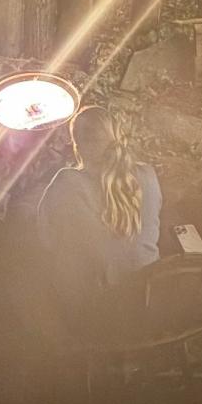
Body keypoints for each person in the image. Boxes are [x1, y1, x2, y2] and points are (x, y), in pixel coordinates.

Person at [37, 106, 162, 315]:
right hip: (148, 300)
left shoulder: (67, 181)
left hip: (97, 310)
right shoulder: (148, 175)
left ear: (77, 146)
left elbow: (45, 239)